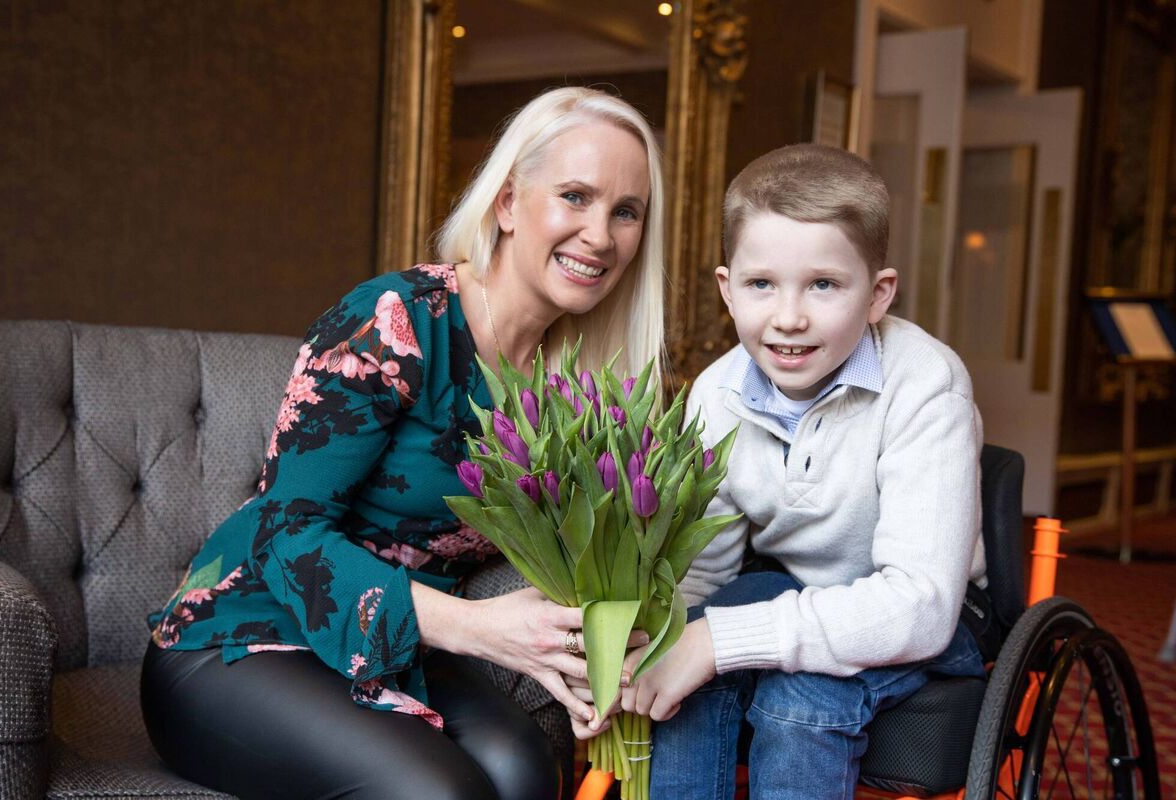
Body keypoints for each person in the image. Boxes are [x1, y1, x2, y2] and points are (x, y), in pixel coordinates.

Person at [141, 86, 665, 800]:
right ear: (507, 204)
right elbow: (285, 535)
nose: (600, 235)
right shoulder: (395, 321)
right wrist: (477, 628)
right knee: (439, 794)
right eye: (575, 196)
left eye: (625, 211)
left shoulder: (574, 386)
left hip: (395, 651)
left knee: (525, 774)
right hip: (245, 637)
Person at [603, 143, 990, 799]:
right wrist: (660, 642)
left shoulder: (925, 385)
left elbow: (920, 609)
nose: (788, 318)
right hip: (784, 590)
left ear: (878, 294)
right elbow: (709, 569)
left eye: (824, 285)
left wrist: (718, 642)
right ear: (728, 290)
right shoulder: (716, 394)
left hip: (927, 615)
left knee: (798, 702)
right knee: (686, 679)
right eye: (761, 285)